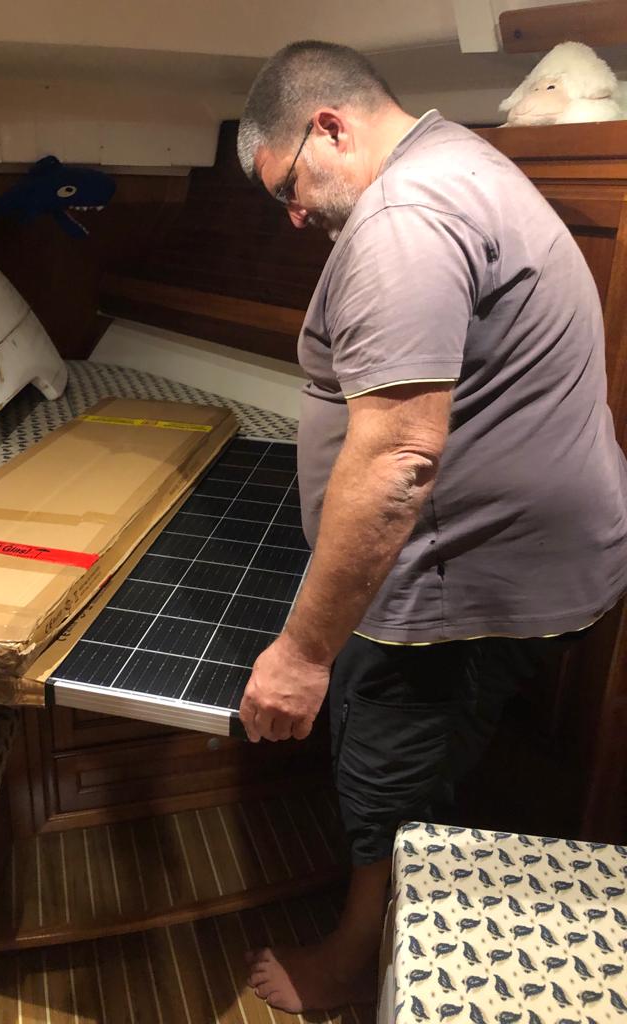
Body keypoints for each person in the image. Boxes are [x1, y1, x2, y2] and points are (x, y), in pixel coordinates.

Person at [234, 40, 627, 1015]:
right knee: (425, 751)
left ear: (330, 127)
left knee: (390, 773)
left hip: (462, 581)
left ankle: (351, 967)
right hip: (520, 561)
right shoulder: (460, 160)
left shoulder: (404, 215)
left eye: (286, 185)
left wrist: (303, 654)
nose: (292, 214)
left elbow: (400, 456)